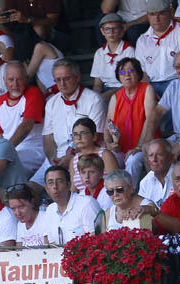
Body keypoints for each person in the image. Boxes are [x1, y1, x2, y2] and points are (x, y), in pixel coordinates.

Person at [38, 59, 107, 183]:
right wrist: (52, 158)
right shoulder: (51, 103)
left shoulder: (94, 100)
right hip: (56, 159)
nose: (62, 84)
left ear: (78, 77)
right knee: (32, 187)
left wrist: (71, 157)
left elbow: (97, 137)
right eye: (58, 80)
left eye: (67, 78)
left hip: (85, 157)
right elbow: (48, 137)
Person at [104, 56, 157, 184]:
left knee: (133, 160)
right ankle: (114, 192)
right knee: (107, 158)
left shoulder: (147, 89)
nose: (126, 75)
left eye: (131, 71)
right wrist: (110, 144)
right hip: (121, 148)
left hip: (144, 145)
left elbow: (149, 120)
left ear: (138, 73)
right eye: (122, 72)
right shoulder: (115, 97)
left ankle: (128, 193)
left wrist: (139, 147)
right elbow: (108, 126)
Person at [0, 62, 45, 177]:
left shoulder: (34, 93)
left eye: (19, 79)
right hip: (8, 151)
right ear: (4, 80)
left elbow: (26, 126)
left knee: (5, 168)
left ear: (26, 79)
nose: (15, 84)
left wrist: (5, 150)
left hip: (34, 150)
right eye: (11, 80)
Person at [41, 165, 102, 244]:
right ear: (47, 189)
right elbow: (49, 243)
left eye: (59, 181)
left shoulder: (87, 204)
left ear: (69, 184)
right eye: (50, 183)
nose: (55, 186)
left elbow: (98, 239)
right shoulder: (50, 210)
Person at [64, 118, 120, 195]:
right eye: (75, 134)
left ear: (94, 136)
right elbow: (73, 189)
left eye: (83, 133)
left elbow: (116, 181)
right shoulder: (74, 160)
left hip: (106, 198)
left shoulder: (104, 155)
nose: (79, 138)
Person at [91, 14, 136, 100]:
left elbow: (132, 80)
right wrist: (96, 97)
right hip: (105, 89)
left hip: (125, 89)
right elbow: (97, 82)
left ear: (122, 30)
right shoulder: (99, 53)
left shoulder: (129, 51)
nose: (111, 32)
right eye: (107, 29)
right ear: (102, 31)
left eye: (115, 28)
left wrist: (110, 94)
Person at [137, 138, 174, 207]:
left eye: (159, 154)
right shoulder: (145, 181)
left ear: (171, 157)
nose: (154, 159)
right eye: (151, 155)